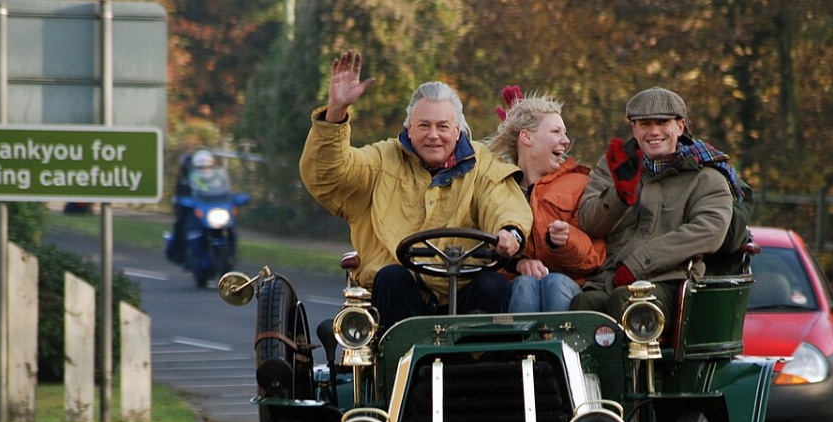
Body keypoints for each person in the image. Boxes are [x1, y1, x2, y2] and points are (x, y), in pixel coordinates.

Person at [299, 50, 532, 331]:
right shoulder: (382, 159)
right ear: (409, 129)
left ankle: (477, 370)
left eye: (442, 126)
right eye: (424, 126)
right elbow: (328, 175)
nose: (433, 135)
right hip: (397, 298)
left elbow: (503, 202)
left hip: (463, 292)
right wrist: (336, 112)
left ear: (457, 130)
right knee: (392, 277)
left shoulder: (482, 164)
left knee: (493, 285)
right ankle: (400, 364)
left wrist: (509, 231)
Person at [571, 87, 740, 327]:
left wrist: (639, 264)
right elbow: (588, 222)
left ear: (680, 127)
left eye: (662, 123)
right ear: (634, 129)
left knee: (627, 303)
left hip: (668, 282)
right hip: (608, 279)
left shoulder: (707, 177)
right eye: (645, 124)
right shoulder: (615, 166)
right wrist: (620, 196)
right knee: (583, 308)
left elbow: (710, 230)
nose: (653, 132)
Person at [484, 87, 606, 313]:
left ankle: (563, 347)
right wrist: (517, 264)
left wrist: (567, 241)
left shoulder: (581, 184)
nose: (566, 140)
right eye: (556, 131)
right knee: (524, 285)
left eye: (565, 132)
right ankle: (520, 349)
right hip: (516, 290)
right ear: (527, 137)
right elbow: (479, 256)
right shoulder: (495, 189)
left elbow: (595, 258)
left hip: (568, 286)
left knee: (554, 283)